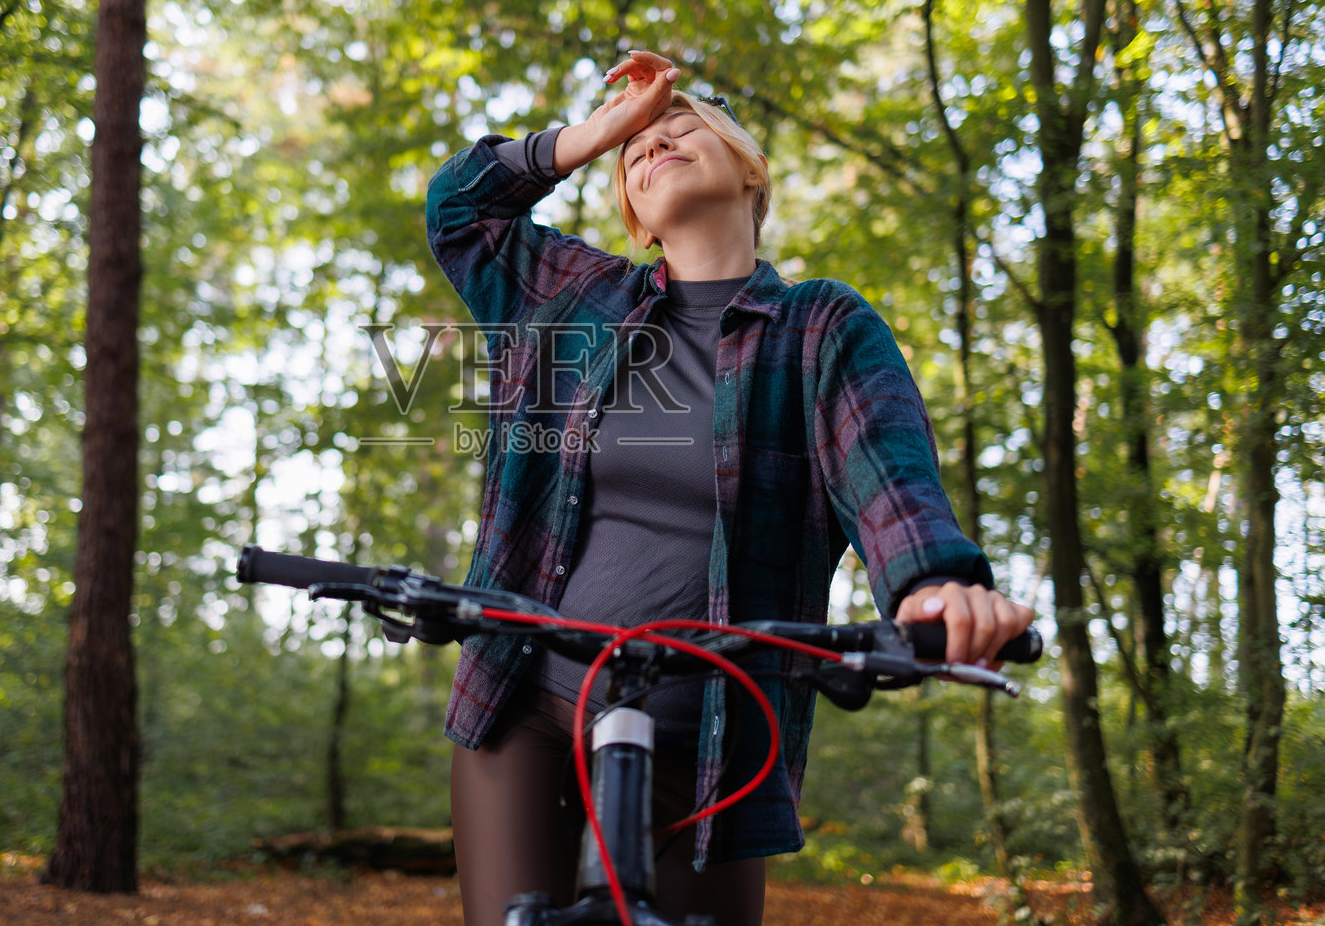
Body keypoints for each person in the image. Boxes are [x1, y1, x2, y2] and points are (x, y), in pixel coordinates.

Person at [425, 50, 1034, 926]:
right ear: (632, 216)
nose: (655, 141)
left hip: (709, 745)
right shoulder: (580, 299)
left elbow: (888, 477)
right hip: (525, 704)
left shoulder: (822, 326)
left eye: (683, 129)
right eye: (636, 148)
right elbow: (458, 206)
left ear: (749, 172)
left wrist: (936, 584)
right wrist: (590, 135)